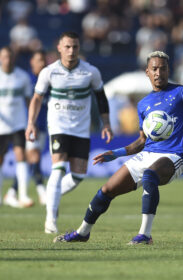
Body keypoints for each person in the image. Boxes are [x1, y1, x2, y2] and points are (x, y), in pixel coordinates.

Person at [53, 51, 183, 244]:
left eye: (162, 68)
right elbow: (141, 141)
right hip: (147, 154)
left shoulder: (182, 93)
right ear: (147, 72)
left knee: (149, 176)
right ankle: (82, 233)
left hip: (173, 156)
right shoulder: (143, 104)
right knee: (106, 190)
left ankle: (145, 235)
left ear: (169, 71)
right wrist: (116, 153)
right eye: (154, 69)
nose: (158, 72)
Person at [25, 31, 113, 234]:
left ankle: (50, 194)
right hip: (58, 127)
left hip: (81, 130)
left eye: (75, 47)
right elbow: (37, 99)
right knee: (58, 168)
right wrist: (31, 123)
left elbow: (101, 98)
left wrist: (106, 124)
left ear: (79, 48)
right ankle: (50, 219)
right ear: (59, 48)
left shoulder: (90, 72)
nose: (71, 51)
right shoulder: (49, 72)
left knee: (78, 176)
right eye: (67, 47)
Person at [5, 50, 48, 207]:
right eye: (39, 60)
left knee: (30, 160)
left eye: (44, 60)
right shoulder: (27, 80)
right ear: (32, 62)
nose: (42, 63)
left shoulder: (48, 79)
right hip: (29, 126)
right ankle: (41, 191)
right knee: (34, 157)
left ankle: (11, 192)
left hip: (43, 126)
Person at [0, 46, 33, 208]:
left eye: (10, 57)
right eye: (4, 57)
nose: (7, 60)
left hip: (19, 123)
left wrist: (31, 122)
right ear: (1, 58)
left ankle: (24, 195)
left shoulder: (22, 77)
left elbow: (29, 101)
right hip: (1, 126)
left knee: (21, 156)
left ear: (14, 58)